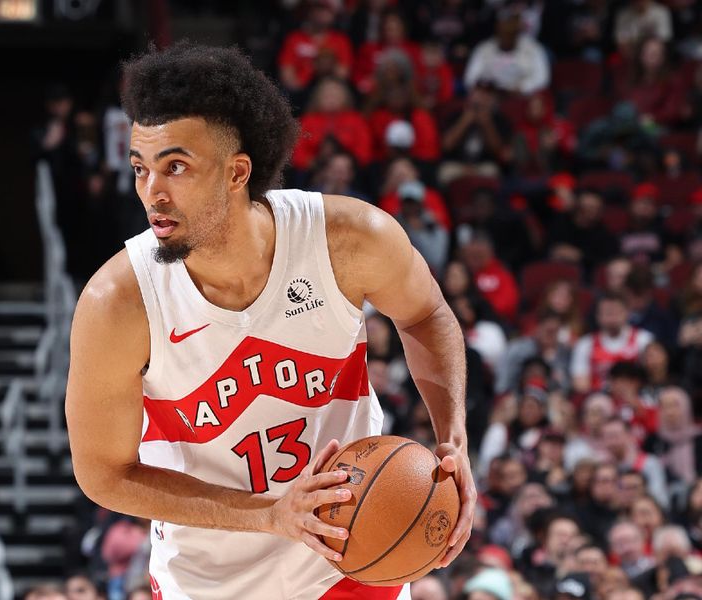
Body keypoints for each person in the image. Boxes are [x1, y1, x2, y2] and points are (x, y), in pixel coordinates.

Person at [65, 43, 474, 600]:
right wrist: (269, 516)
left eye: (176, 167)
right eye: (141, 168)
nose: (151, 193)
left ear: (237, 172)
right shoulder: (117, 301)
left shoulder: (347, 240)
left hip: (346, 554)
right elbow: (104, 474)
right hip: (207, 578)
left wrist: (453, 440)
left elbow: (426, 314)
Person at [570, 293, 653, 394]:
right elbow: (581, 385)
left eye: (616, 312)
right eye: (608, 313)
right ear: (598, 316)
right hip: (600, 400)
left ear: (627, 313)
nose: (613, 317)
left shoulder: (643, 339)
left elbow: (652, 377)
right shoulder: (585, 344)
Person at [463, 5, 550, 95]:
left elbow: (542, 79)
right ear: (497, 29)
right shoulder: (484, 49)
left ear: (517, 30)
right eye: (503, 30)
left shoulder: (533, 49)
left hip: (522, 99)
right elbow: (470, 79)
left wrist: (522, 88)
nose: (506, 35)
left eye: (510, 32)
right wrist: (486, 88)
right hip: (490, 97)